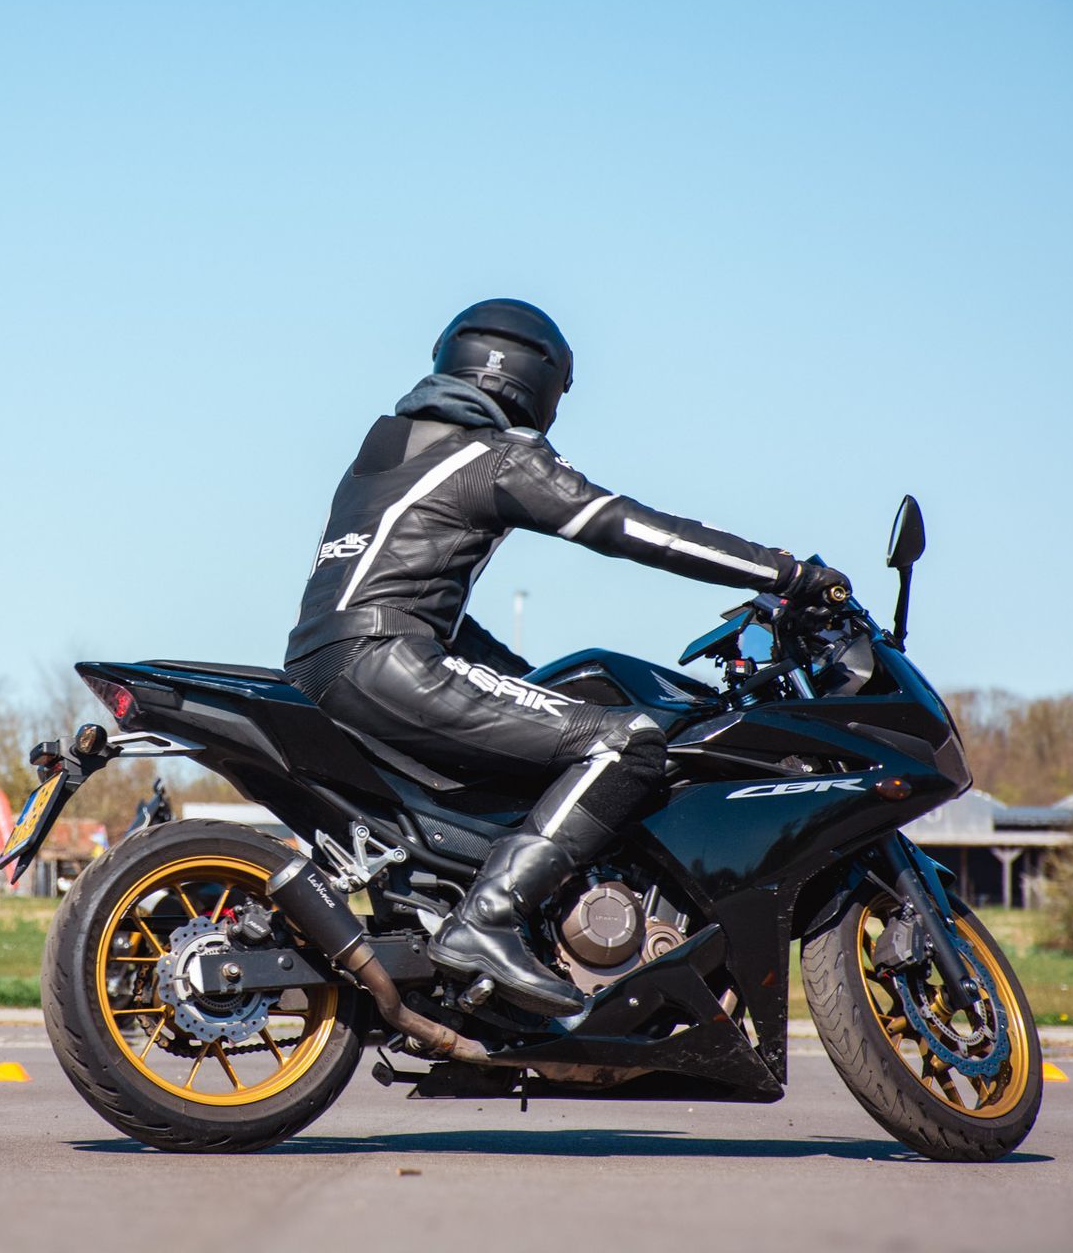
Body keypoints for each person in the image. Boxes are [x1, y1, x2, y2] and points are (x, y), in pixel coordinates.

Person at [284, 299, 847, 1017]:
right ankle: (487, 921)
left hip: (326, 660)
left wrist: (516, 676)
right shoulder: (496, 457)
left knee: (552, 734)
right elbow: (630, 526)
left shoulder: (390, 449)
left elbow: (417, 593)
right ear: (539, 380)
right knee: (629, 741)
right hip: (388, 657)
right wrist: (781, 572)